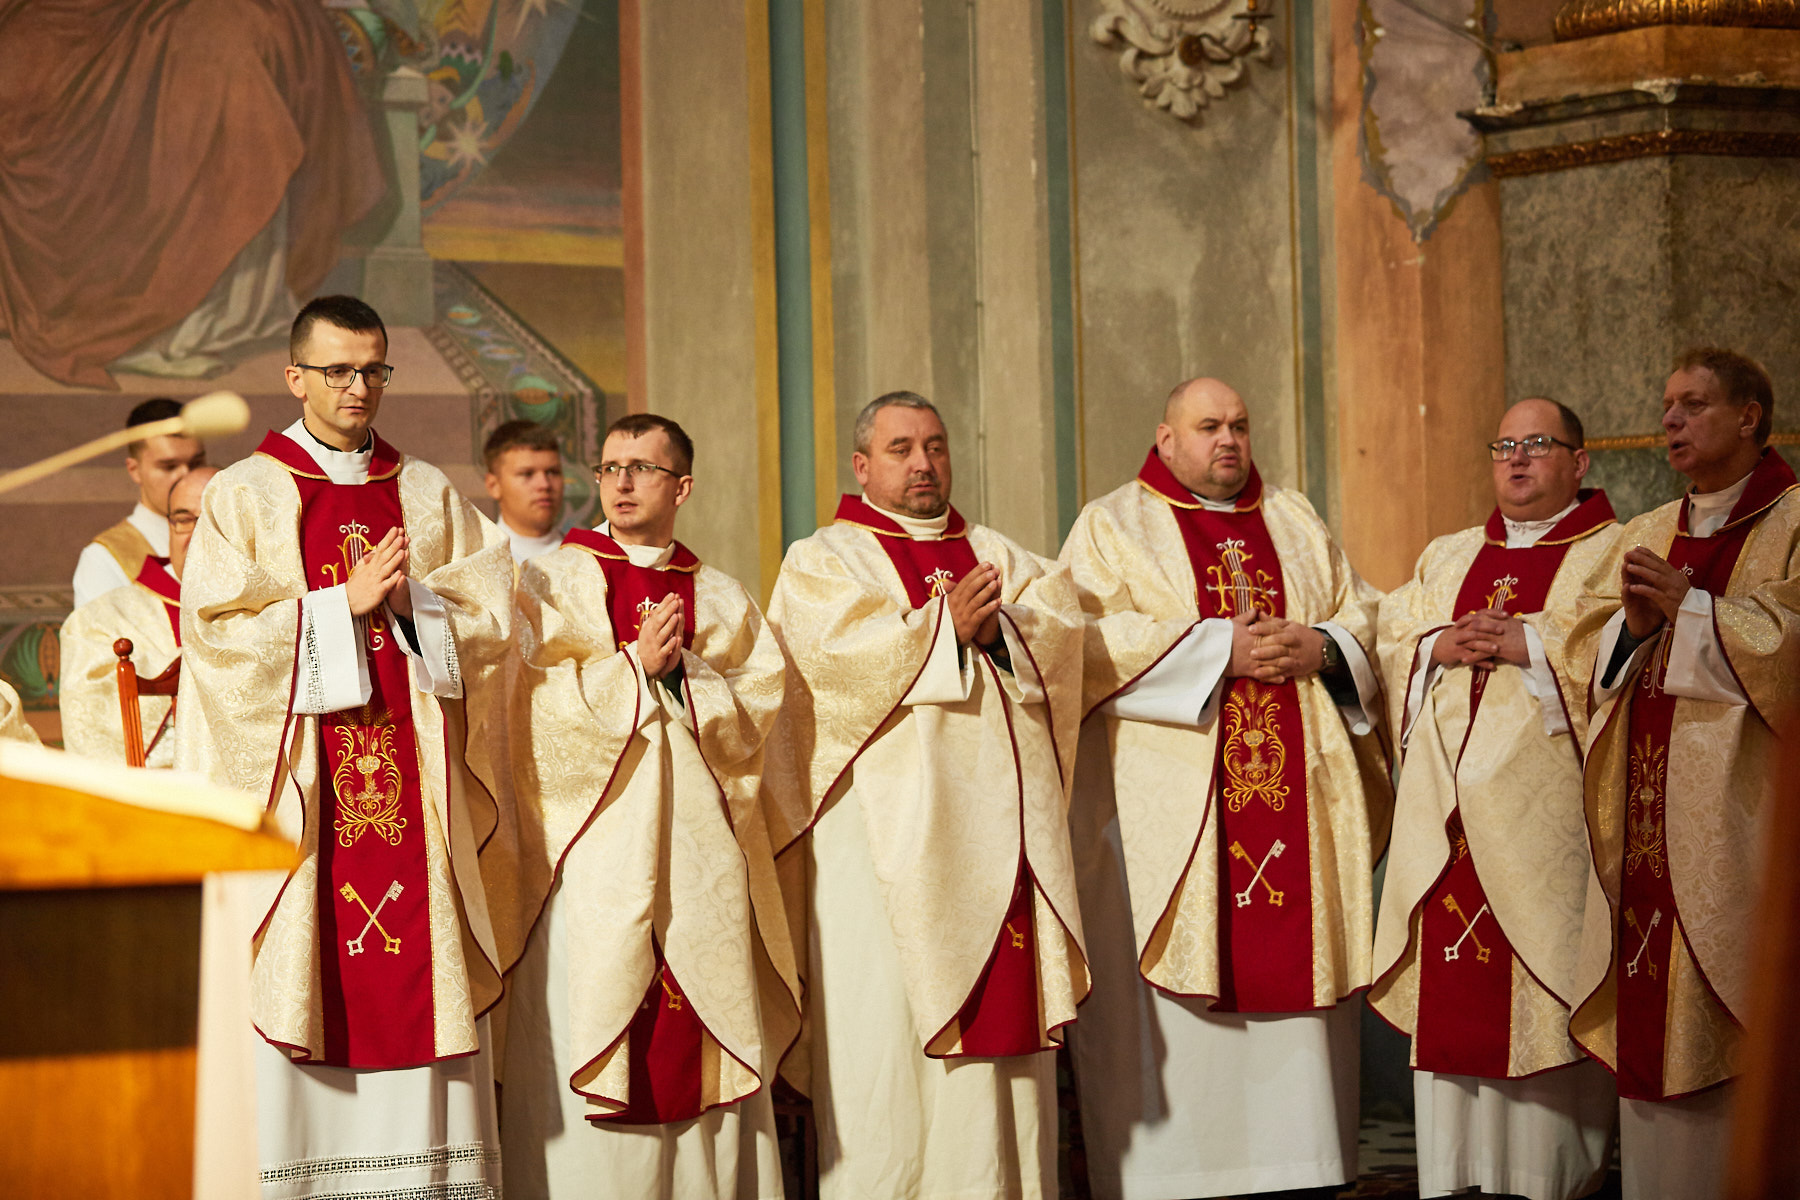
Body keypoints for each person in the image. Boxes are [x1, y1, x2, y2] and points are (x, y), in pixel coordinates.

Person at [176, 295, 515, 1198]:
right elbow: (216, 638)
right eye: (337, 371)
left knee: (423, 957)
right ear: (295, 377)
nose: (358, 387)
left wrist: (410, 607)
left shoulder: (427, 491)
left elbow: (491, 620)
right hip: (306, 795)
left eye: (372, 370)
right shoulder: (246, 493)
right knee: (307, 954)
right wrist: (340, 607)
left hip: (414, 789)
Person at [1059, 376, 1391, 1199]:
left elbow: (1366, 615)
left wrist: (1322, 647)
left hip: (1299, 809)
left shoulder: (1295, 519)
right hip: (1169, 828)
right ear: (1166, 438)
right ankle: (1169, 1178)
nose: (1229, 441)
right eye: (1208, 426)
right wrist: (1217, 650)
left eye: (1239, 425)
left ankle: (1300, 1173)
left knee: (1296, 1063)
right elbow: (1082, 643)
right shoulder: (1113, 525)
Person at [764, 391, 1089, 1200]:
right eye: (902, 448)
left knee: (999, 1050)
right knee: (887, 1033)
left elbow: (1063, 633)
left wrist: (1000, 631)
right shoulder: (825, 559)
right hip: (882, 840)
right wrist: (944, 628)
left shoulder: (998, 554)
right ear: (861, 465)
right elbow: (828, 662)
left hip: (1002, 840)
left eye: (936, 446)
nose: (923, 464)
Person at [485, 413, 799, 1198]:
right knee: (592, 1015)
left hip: (700, 871)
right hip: (589, 860)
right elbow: (525, 713)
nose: (621, 483)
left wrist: (683, 675)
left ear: (681, 487)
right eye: (610, 467)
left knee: (700, 1032)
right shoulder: (550, 583)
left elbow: (759, 717)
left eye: (643, 469)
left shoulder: (721, 597)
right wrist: (631, 672)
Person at [1371, 398, 1622, 1200]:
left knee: (1548, 996)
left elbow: (1631, 648)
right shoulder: (1448, 555)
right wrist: (1434, 645)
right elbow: (1389, 635)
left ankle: (1554, 1180)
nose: (1516, 458)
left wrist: (1533, 643)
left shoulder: (1617, 551)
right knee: (1456, 1012)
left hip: (1547, 836)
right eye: (1504, 445)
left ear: (1579, 461)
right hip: (1446, 831)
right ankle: (1455, 1178)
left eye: (1537, 444)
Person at [1568, 348, 1797, 1200]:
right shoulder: (1648, 528)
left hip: (1743, 832)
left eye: (1693, 404)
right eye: (1667, 404)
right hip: (1644, 833)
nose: (1670, 420)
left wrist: (1692, 609)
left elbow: (1793, 650)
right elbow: (1580, 651)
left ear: (1749, 416)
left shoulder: (1794, 521)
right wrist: (1632, 629)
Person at [59, 465, 217, 766]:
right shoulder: (100, 620)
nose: (199, 534)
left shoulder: (273, 606)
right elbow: (92, 734)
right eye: (184, 519)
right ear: (169, 525)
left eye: (214, 518)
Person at [71, 397, 207, 609]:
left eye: (196, 463)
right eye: (169, 466)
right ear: (134, 470)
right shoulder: (103, 559)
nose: (186, 476)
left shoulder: (230, 532)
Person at [483, 420, 567, 564]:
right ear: (493, 485)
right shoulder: (477, 562)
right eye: (527, 474)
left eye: (552, 472)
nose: (544, 485)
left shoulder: (587, 558)